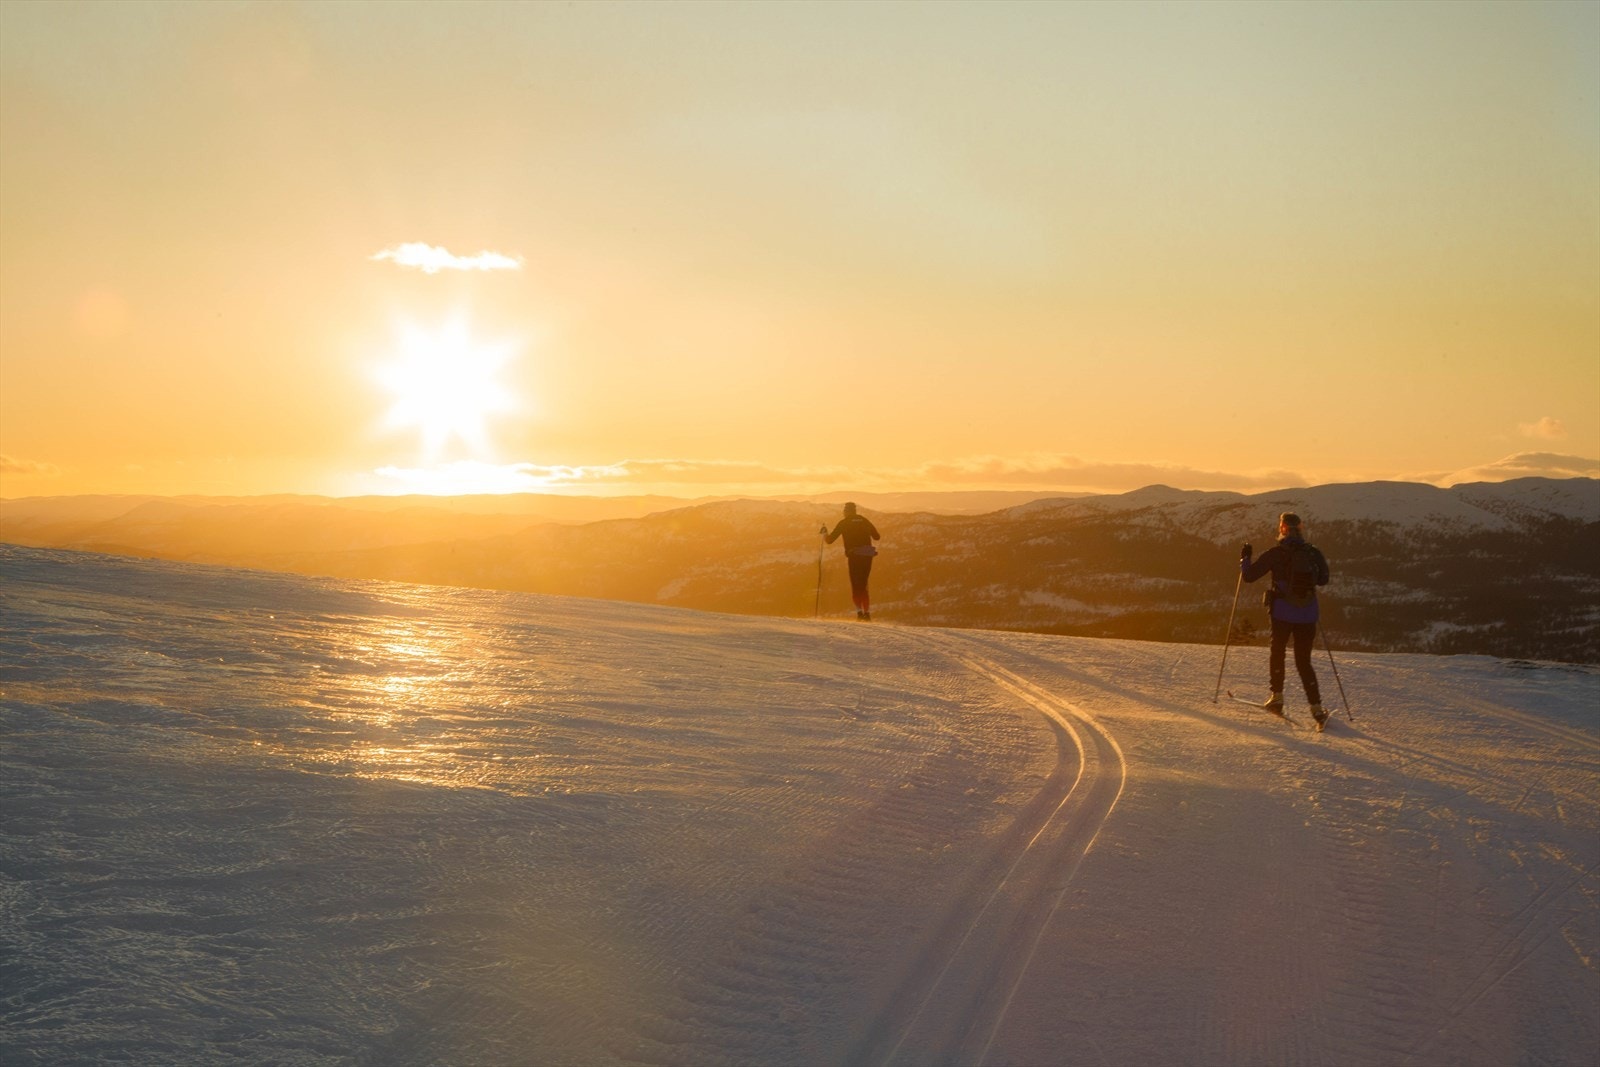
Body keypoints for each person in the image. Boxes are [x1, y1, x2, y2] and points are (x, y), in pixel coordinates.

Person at [1240, 512, 1330, 726]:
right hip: (1308, 613)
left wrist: (1245, 558)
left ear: (1282, 529)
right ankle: (1316, 709)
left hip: (1282, 613)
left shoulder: (1276, 554)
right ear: (1301, 529)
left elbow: (1249, 576)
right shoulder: (1313, 553)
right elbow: (1324, 579)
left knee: (1278, 652)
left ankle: (1277, 697)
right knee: (1303, 661)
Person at [822, 502, 881, 620]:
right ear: (855, 511)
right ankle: (867, 613)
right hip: (867, 555)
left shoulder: (843, 523)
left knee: (855, 584)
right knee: (864, 584)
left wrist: (824, 533)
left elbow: (829, 540)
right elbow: (877, 537)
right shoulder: (864, 520)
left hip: (854, 556)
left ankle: (859, 613)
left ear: (845, 512)